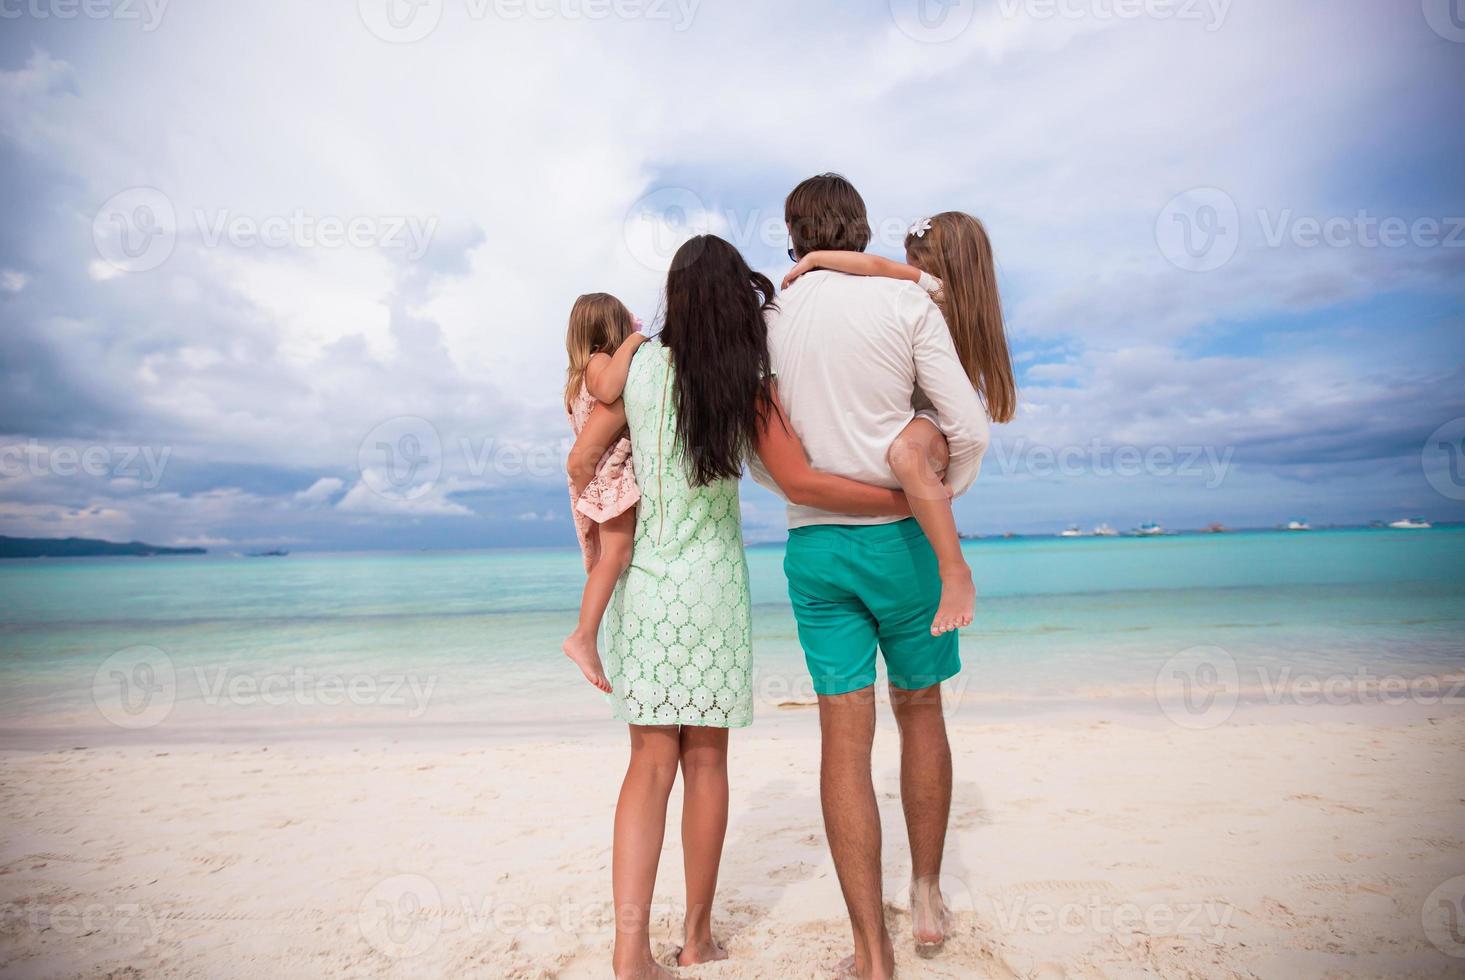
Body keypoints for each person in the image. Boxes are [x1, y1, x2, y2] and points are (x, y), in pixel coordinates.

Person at [566, 234, 911, 980]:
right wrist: (903, 492)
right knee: (708, 761)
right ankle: (695, 939)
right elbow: (798, 481)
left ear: (674, 295)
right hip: (713, 586)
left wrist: (604, 520)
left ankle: (630, 952)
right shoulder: (745, 380)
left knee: (646, 765)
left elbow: (583, 455)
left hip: (648, 584)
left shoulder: (637, 369)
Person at [751, 174, 992, 980]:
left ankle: (869, 952)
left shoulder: (766, 321)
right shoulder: (905, 305)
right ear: (860, 230)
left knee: (841, 740)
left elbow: (765, 462)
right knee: (920, 713)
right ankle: (923, 894)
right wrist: (930, 493)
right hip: (903, 543)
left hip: (816, 552)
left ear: (793, 237)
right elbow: (964, 423)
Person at [782, 210, 1018, 635]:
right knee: (905, 456)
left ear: (941, 264)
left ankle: (955, 570)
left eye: (915, 260)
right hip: (926, 416)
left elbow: (877, 268)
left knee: (906, 456)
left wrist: (947, 491)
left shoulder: (934, 293)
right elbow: (876, 267)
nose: (906, 268)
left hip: (934, 417)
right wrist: (817, 259)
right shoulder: (930, 292)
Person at [562, 292, 647, 693]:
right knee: (617, 554)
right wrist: (633, 342)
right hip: (608, 478)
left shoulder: (579, 376)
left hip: (597, 481)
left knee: (606, 560)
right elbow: (612, 390)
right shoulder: (599, 363)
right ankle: (583, 636)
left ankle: (588, 633)